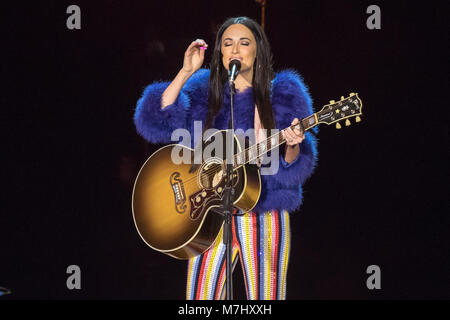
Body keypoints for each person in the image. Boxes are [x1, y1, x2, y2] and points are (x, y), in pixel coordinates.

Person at [133, 16, 318, 300]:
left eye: (244, 42)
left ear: (259, 49)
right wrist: (184, 73)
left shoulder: (282, 92)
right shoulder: (202, 89)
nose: (235, 49)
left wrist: (292, 144)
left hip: (263, 211)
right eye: (228, 43)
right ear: (219, 52)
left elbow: (295, 166)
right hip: (208, 212)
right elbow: (155, 121)